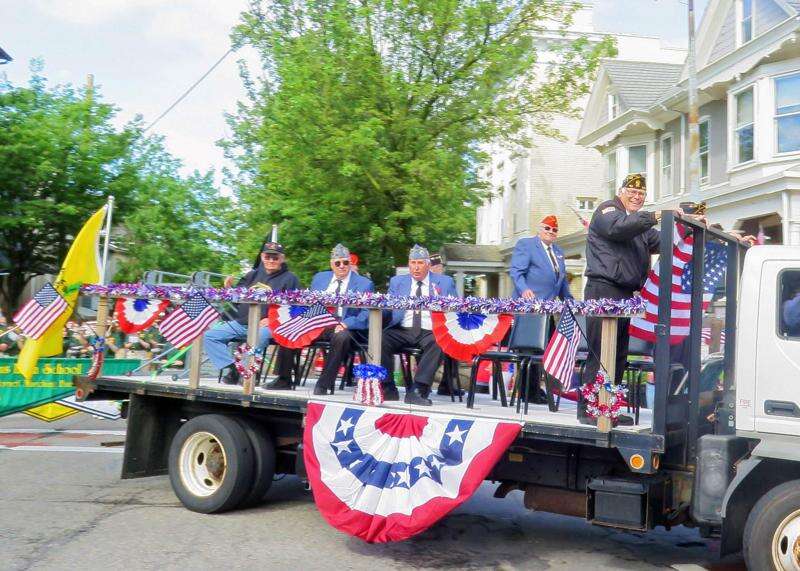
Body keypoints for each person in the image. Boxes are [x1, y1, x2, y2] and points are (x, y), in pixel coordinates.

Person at [578, 174, 676, 425]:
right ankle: (590, 410)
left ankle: (607, 407)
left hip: (625, 294)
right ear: (620, 192)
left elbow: (667, 240)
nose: (636, 196)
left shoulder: (639, 227)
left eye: (641, 194)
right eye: (631, 192)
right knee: (600, 352)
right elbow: (617, 228)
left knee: (619, 354)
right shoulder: (607, 210)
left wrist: (690, 222)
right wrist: (654, 215)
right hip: (603, 289)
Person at [203, 241, 300, 386]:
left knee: (257, 337)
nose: (271, 260)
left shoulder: (290, 278)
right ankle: (234, 369)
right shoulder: (251, 275)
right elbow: (238, 298)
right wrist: (229, 289)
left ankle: (248, 376)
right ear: (262, 257)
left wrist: (270, 319)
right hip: (243, 322)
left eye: (275, 257)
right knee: (210, 336)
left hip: (269, 326)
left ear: (282, 258)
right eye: (268, 257)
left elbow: (293, 307)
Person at [380, 245, 458, 406]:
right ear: (409, 264)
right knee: (381, 338)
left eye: (420, 263)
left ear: (428, 265)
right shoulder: (397, 282)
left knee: (439, 342)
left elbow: (455, 309)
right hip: (402, 328)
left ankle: (418, 390)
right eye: (413, 262)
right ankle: (387, 387)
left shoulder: (444, 282)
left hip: (430, 329)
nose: (416, 267)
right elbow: (388, 309)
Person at [308, 243, 374, 395]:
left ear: (350, 263)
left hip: (346, 326)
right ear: (331, 264)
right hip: (320, 323)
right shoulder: (319, 278)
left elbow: (366, 313)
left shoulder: (364, 284)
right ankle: (284, 377)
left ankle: (323, 385)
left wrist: (346, 323)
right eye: (338, 263)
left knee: (342, 337)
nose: (342, 266)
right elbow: (309, 303)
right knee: (291, 329)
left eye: (346, 262)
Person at [509, 215, 572, 300]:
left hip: (548, 307)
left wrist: (570, 303)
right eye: (547, 228)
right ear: (539, 230)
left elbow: (562, 281)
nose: (551, 231)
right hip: (528, 305)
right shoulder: (527, 245)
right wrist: (524, 289)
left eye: (555, 230)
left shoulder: (558, 251)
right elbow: (516, 272)